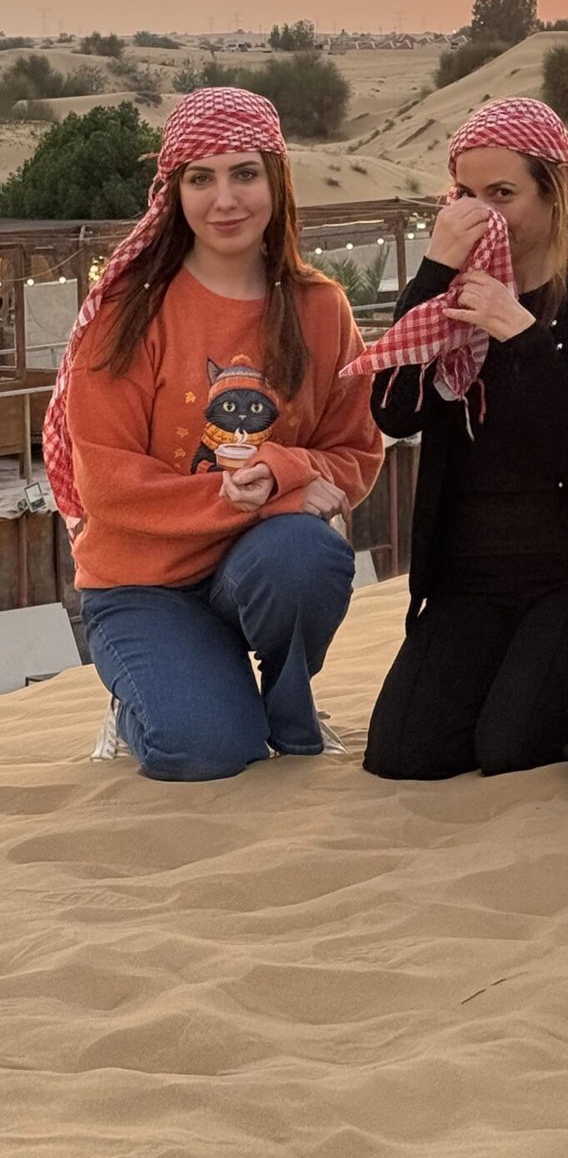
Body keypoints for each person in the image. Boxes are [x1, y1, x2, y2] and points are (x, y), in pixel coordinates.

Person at [47, 88, 382, 781]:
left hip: (254, 567)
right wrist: (232, 498)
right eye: (201, 178)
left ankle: (290, 713)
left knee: (308, 556)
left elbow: (355, 450)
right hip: (142, 583)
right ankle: (151, 695)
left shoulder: (321, 307)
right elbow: (104, 482)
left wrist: (283, 472)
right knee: (205, 749)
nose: (224, 199)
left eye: (244, 173)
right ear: (174, 191)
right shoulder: (130, 311)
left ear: (276, 181)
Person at [352, 99, 568, 780]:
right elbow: (394, 410)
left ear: (555, 192)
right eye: (466, 195)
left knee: (507, 749)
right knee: (403, 753)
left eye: (502, 194)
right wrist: (430, 278)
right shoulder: (447, 301)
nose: (481, 214)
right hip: (467, 581)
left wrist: (521, 333)